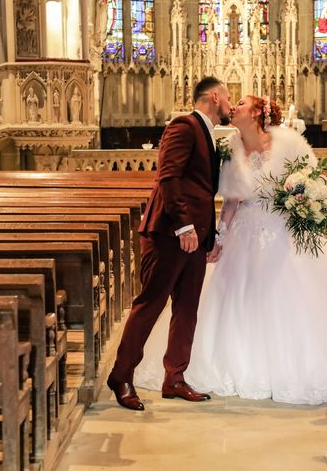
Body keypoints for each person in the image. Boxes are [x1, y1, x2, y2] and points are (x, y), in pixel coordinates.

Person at [135, 95, 327, 405]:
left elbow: (313, 180)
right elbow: (232, 200)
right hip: (244, 231)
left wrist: (304, 201)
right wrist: (219, 236)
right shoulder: (231, 148)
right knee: (231, 296)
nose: (234, 107)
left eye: (242, 103)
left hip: (283, 231)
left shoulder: (288, 142)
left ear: (259, 112)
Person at [107, 77, 234, 411]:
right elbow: (168, 177)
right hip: (169, 234)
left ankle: (174, 378)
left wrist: (208, 236)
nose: (231, 105)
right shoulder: (184, 125)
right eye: (229, 98)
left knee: (187, 308)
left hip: (194, 238)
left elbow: (202, 189)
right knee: (150, 304)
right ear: (214, 97)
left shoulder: (206, 131)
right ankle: (121, 376)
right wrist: (185, 227)